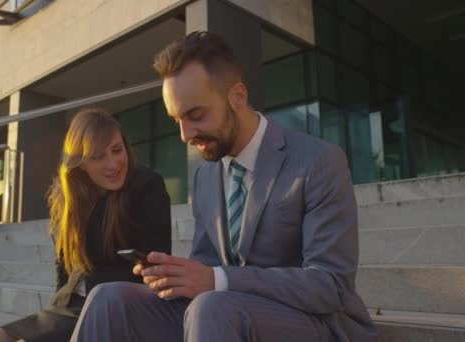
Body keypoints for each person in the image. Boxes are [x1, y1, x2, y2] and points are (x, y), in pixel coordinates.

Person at [70, 31, 378, 342]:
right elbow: (207, 265)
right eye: (176, 120)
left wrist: (218, 279)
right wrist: (178, 276)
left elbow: (330, 286)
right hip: (223, 316)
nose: (185, 135)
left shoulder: (319, 161)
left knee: (212, 307)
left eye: (196, 115)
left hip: (313, 323)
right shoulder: (205, 176)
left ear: (238, 97)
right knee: (107, 299)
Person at [0, 108, 172, 342]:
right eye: (97, 157)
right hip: (69, 306)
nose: (113, 164)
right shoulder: (68, 198)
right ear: (80, 162)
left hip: (116, 305)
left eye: (116, 150)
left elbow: (155, 267)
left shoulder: (146, 186)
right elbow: (63, 263)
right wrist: (59, 301)